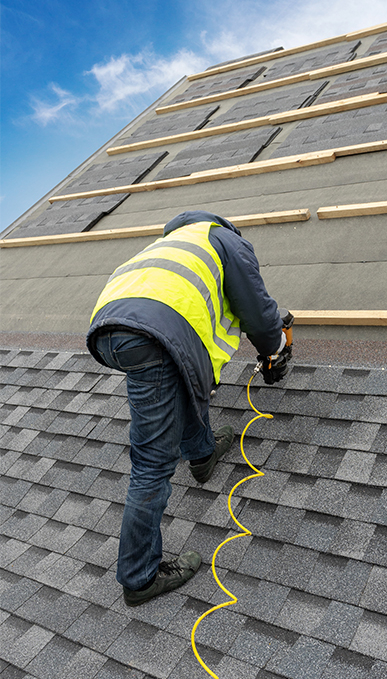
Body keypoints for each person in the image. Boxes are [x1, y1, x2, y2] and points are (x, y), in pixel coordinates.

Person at [86, 210, 286, 606]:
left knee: (178, 378)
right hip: (150, 334)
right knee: (151, 464)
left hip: (109, 330)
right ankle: (139, 576)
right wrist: (275, 350)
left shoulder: (170, 244)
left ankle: (202, 453)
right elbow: (258, 309)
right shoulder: (223, 239)